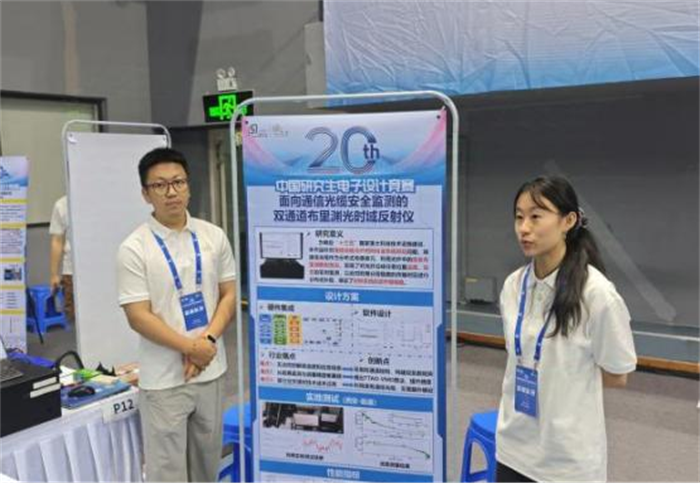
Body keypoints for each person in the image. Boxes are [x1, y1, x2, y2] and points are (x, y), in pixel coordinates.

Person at [496, 176, 637, 483]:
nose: (524, 228)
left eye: (536, 216)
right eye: (519, 217)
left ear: (568, 221)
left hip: (567, 462)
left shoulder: (596, 294)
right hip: (512, 449)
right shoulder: (513, 286)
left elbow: (617, 374)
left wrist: (567, 380)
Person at [117, 147, 236, 482]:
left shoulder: (213, 236)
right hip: (164, 380)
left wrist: (206, 341)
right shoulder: (134, 248)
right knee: (167, 474)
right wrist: (190, 347)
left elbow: (228, 295)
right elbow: (138, 316)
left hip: (211, 370)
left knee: (206, 469)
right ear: (146, 194)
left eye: (178, 182)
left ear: (188, 186)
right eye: (160, 185)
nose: (171, 192)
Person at [49, 195, 75, 322]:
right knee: (74, 315)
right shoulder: (62, 204)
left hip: (100, 266)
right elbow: (57, 240)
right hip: (71, 270)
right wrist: (54, 275)